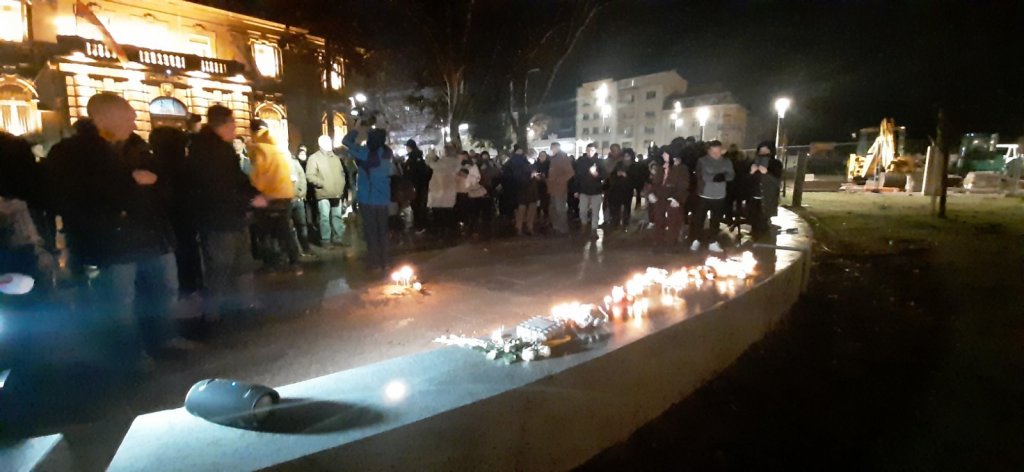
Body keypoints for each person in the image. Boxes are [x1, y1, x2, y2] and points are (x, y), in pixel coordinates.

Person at [46, 93, 180, 369]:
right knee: (121, 303)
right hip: (112, 243)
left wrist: (153, 183)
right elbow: (74, 196)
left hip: (152, 236)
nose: (134, 123)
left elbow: (164, 184)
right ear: (102, 118)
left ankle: (165, 340)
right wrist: (131, 183)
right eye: (128, 117)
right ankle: (132, 356)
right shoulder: (71, 152)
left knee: (164, 291)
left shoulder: (138, 147)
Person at [184, 105, 265, 321]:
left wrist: (253, 194)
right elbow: (219, 187)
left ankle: (243, 303)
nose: (235, 128)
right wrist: (250, 198)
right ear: (224, 124)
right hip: (219, 220)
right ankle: (213, 311)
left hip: (233, 216)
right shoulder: (208, 150)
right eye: (233, 123)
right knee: (220, 266)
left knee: (241, 263)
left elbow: (237, 179)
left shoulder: (219, 148)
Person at [150, 126, 202, 295]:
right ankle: (191, 287)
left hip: (164, 221)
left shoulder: (154, 166)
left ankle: (182, 289)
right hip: (185, 218)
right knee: (188, 250)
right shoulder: (186, 165)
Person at [247, 120, 301, 272]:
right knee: (285, 230)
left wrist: (254, 192)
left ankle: (270, 263)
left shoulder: (259, 149)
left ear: (252, 131)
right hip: (285, 195)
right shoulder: (280, 148)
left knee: (265, 233)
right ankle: (294, 260)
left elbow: (258, 176)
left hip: (268, 196)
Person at [343, 126, 392, 272]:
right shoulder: (386, 152)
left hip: (368, 198)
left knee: (371, 232)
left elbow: (346, 141)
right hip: (383, 198)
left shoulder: (365, 153)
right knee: (382, 231)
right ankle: (385, 261)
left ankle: (374, 262)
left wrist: (356, 129)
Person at [689, 140, 734, 253]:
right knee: (699, 219)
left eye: (718, 151)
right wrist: (718, 176)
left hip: (719, 195)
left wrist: (722, 176)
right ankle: (696, 239)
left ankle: (713, 241)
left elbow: (731, 175)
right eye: (713, 152)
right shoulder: (702, 161)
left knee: (716, 220)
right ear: (708, 151)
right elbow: (702, 175)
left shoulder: (726, 161)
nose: (716, 154)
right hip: (704, 194)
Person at [305, 135, 348, 246]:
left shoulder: (335, 158)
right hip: (323, 193)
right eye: (326, 142)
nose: (329, 143)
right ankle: (325, 240)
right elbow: (310, 175)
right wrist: (322, 184)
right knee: (324, 217)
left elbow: (342, 173)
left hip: (336, 193)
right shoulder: (314, 158)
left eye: (329, 141)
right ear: (320, 144)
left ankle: (338, 238)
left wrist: (341, 185)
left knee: (337, 216)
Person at [647, 148, 689, 250]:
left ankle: (671, 244)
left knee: (673, 222)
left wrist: (677, 198)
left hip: (673, 198)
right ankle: (658, 242)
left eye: (665, 156)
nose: (663, 158)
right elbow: (654, 183)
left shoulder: (681, 169)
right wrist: (651, 193)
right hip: (660, 198)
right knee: (658, 220)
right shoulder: (661, 168)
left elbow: (684, 185)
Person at [747, 141, 783, 239]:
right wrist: (751, 172)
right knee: (753, 219)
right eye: (761, 151)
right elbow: (746, 181)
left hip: (767, 197)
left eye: (766, 151)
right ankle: (755, 236)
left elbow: (777, 181)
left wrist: (766, 173)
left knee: (764, 219)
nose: (763, 153)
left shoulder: (775, 164)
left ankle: (764, 238)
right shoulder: (753, 163)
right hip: (754, 196)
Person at [427, 145, 460, 239]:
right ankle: (450, 232)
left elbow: (430, 164)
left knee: (438, 213)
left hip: (438, 190)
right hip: (450, 189)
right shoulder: (457, 162)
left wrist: (430, 155)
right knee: (449, 212)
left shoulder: (441, 162)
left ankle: (439, 232)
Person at [573, 143, 606, 235]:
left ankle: (594, 228)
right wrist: (576, 190)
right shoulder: (581, 162)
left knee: (595, 210)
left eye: (592, 150)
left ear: (595, 151)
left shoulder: (600, 162)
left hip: (596, 190)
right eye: (588, 150)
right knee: (582, 210)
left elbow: (604, 175)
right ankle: (584, 224)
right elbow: (577, 176)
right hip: (584, 190)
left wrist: (596, 174)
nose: (589, 152)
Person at [506, 145, 540, 236]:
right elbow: (518, 177)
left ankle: (529, 227)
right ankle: (519, 227)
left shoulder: (533, 164)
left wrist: (537, 177)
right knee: (522, 209)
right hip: (523, 189)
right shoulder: (520, 164)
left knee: (531, 209)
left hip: (532, 190)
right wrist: (530, 176)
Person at [403, 140, 432, 232]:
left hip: (415, 186)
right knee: (419, 205)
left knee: (416, 206)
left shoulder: (412, 160)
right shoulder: (419, 159)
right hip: (421, 185)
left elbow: (409, 173)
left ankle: (419, 225)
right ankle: (420, 224)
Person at [546, 142, 574, 236]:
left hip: (559, 189)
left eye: (552, 148)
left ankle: (563, 229)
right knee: (554, 209)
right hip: (553, 189)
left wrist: (560, 180)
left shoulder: (562, 158)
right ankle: (556, 227)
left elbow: (570, 172)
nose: (551, 150)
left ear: (557, 148)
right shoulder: (553, 159)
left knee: (560, 209)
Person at [288, 145, 312, 254]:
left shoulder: (294, 163)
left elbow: (302, 177)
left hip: (298, 199)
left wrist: (302, 193)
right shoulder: (277, 164)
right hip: (286, 200)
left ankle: (305, 247)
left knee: (302, 225)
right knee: (288, 227)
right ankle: (293, 250)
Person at [606, 148, 635, 230]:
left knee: (627, 207)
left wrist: (626, 175)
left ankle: (625, 222)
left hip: (628, 189)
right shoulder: (619, 164)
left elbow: (635, 178)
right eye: (624, 156)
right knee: (616, 207)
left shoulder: (633, 165)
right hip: (617, 189)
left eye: (628, 156)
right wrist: (617, 174)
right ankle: (616, 222)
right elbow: (612, 175)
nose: (626, 158)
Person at [534, 151, 551, 229]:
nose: (542, 157)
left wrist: (545, 177)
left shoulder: (549, 164)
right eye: (541, 155)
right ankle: (538, 216)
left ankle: (546, 216)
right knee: (538, 201)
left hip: (546, 186)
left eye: (543, 155)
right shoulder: (536, 164)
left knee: (546, 202)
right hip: (537, 186)